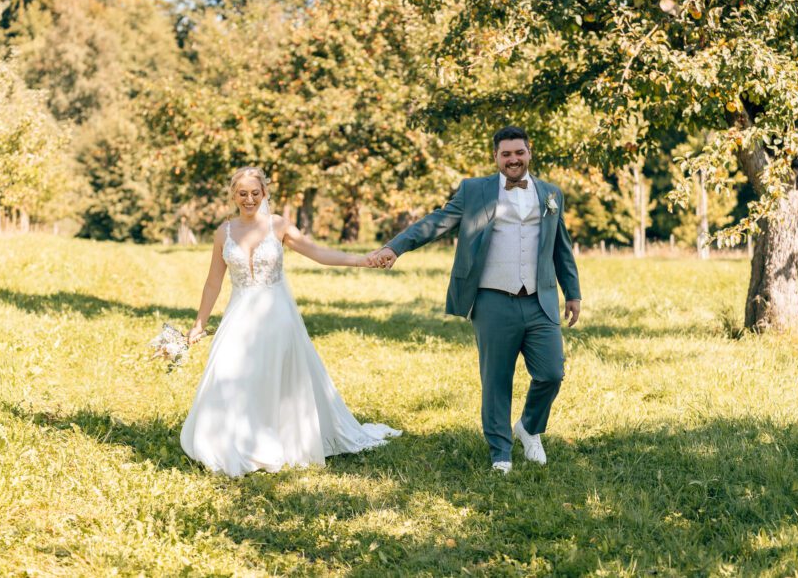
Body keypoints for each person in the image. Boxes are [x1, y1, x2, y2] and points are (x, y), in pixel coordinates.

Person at [367, 126, 581, 474]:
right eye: (506, 154)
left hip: (539, 299)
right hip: (492, 299)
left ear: (530, 152)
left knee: (552, 373)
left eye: (519, 152)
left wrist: (572, 292)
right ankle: (500, 451)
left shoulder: (550, 194)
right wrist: (396, 247)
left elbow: (561, 246)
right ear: (495, 157)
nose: (513, 159)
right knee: (496, 378)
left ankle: (528, 427)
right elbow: (435, 222)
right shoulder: (474, 190)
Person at [180, 166, 400, 477]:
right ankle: (233, 438)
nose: (249, 198)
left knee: (274, 375)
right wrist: (199, 323)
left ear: (265, 193)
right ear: (233, 195)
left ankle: (276, 437)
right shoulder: (223, 232)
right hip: (239, 314)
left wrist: (361, 260)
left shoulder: (278, 226)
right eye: (242, 193)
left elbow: (317, 252)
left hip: (276, 312)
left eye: (255, 193)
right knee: (231, 372)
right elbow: (213, 282)